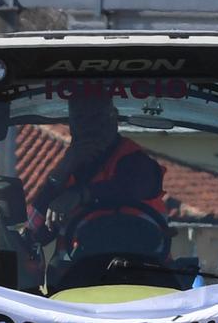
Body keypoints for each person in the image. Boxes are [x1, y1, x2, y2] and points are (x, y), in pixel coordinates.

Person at [28, 91, 168, 281]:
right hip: (72, 287)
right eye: (80, 118)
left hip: (144, 280)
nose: (89, 127)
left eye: (96, 117)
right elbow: (34, 234)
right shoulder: (64, 176)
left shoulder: (137, 163)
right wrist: (61, 171)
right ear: (71, 125)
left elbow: (128, 187)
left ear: (114, 119)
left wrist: (81, 194)